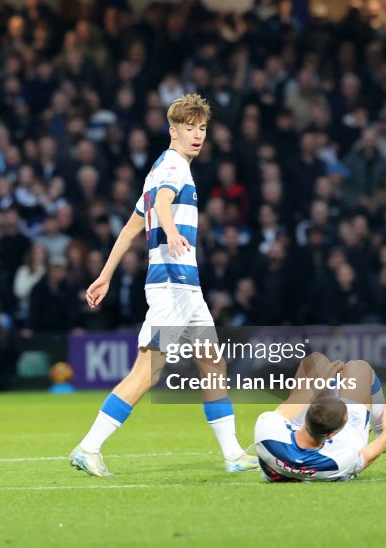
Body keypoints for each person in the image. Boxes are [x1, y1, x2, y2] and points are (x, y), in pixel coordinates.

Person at [70, 94, 258, 476]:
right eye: (189, 128)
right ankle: (88, 448)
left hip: (186, 286)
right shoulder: (173, 167)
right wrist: (171, 231)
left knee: (211, 361)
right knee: (148, 373)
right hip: (172, 284)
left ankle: (233, 455)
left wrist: (105, 275)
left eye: (202, 128)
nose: (197, 135)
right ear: (173, 131)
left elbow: (129, 228)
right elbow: (163, 207)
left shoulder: (157, 170)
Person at [254, 353, 386, 482]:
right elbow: (368, 456)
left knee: (314, 361)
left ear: (306, 415)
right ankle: (378, 426)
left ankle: (330, 385)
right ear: (331, 434)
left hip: (292, 445)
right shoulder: (343, 457)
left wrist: (318, 382)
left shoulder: (267, 434)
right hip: (347, 440)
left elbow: (288, 408)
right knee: (359, 368)